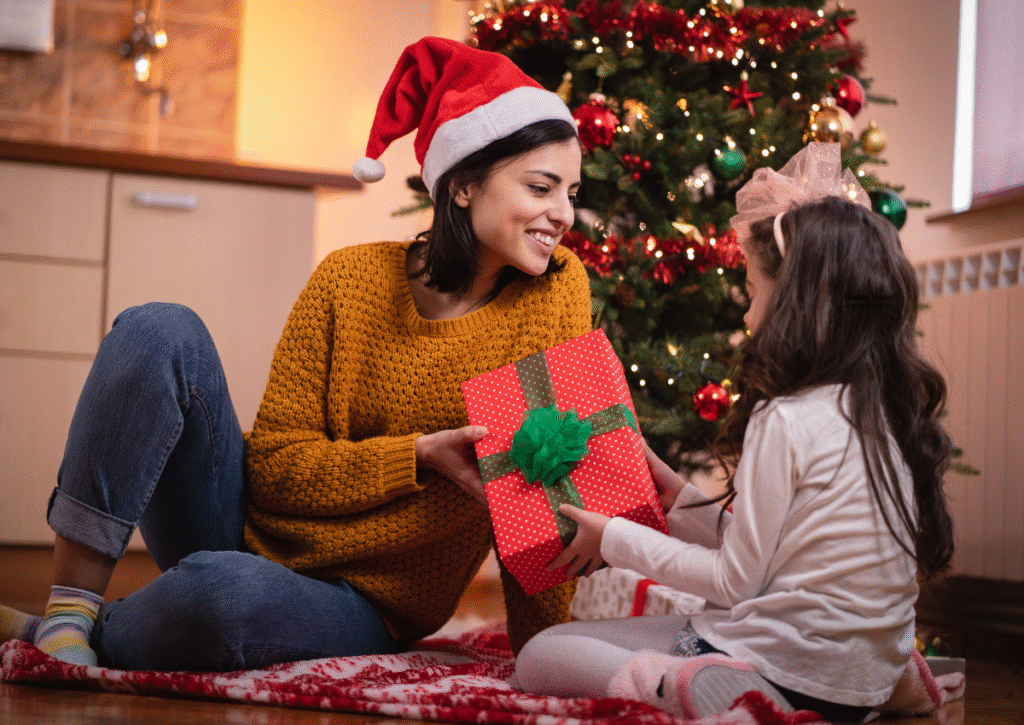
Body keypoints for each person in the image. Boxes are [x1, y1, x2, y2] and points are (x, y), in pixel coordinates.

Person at [0, 36, 592, 671]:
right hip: (248, 529)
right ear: (463, 186)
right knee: (157, 330)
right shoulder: (348, 279)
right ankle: (69, 611)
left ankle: (61, 634)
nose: (563, 215)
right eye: (541, 188)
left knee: (222, 595)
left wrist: (540, 654)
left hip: (367, 603)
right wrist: (417, 457)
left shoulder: (557, 289)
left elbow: (543, 487)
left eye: (573, 194)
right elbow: (277, 471)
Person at [515, 143, 955, 720]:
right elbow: (781, 558)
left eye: (752, 292)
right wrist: (683, 504)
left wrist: (613, 538)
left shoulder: (787, 417)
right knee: (713, 624)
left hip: (784, 670)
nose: (747, 316)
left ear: (797, 301)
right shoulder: (883, 411)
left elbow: (736, 583)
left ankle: (681, 685)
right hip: (857, 679)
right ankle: (893, 678)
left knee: (543, 654)